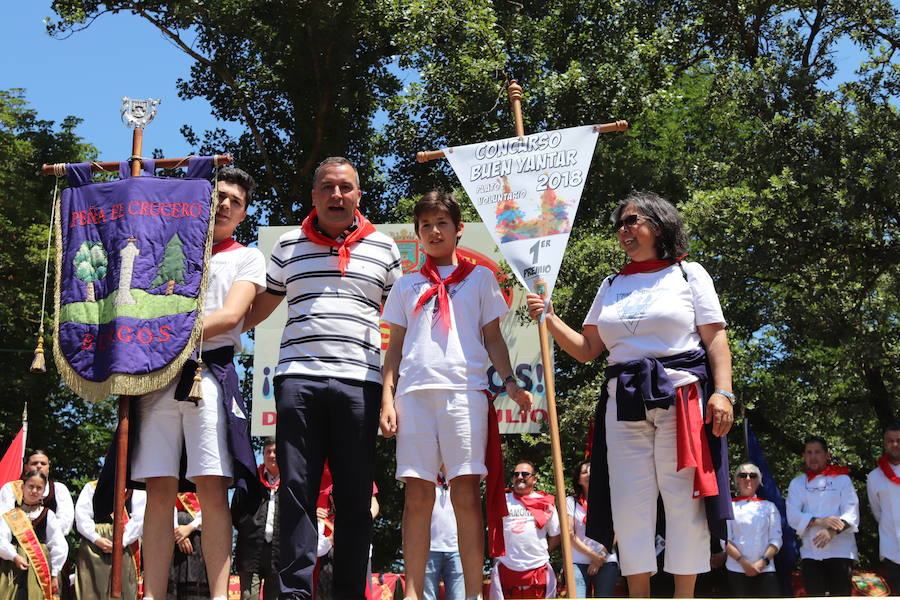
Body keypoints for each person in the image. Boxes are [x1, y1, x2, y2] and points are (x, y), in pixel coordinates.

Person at [526, 191, 734, 598]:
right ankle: (637, 592)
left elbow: (716, 338)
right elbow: (587, 351)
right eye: (620, 223)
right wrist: (548, 318)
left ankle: (683, 595)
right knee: (629, 503)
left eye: (632, 221)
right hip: (622, 401)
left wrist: (723, 393)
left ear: (659, 225)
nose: (623, 230)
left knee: (682, 500)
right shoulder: (611, 284)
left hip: (682, 397)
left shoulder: (690, 274)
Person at [243, 156, 402, 600]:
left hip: (361, 382)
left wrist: (393, 392)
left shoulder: (385, 249)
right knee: (297, 489)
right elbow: (260, 307)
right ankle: (295, 592)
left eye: (346, 188)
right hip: (299, 380)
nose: (337, 195)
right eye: (328, 188)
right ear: (314, 196)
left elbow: (403, 325)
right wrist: (211, 331)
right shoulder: (288, 246)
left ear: (358, 196)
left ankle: (350, 592)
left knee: (353, 496)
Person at [379, 191, 532, 600]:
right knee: (417, 494)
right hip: (414, 393)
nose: (433, 231)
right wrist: (387, 399)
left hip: (465, 393)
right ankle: (411, 592)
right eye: (425, 225)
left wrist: (511, 382)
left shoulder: (480, 278)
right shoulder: (406, 284)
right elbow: (393, 346)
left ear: (458, 229)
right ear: (417, 233)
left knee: (465, 493)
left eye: (441, 223)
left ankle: (472, 593)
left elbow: (493, 337)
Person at [131, 166, 265, 600]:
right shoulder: (169, 246)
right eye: (218, 196)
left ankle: (219, 593)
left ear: (244, 213)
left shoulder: (247, 256)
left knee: (212, 480)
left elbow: (231, 316)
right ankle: (151, 594)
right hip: (157, 375)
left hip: (208, 372)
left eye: (235, 201)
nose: (224, 205)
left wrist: (163, 330)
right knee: (158, 484)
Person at [786, 435, 859, 597]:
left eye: (817, 452)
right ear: (804, 456)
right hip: (811, 554)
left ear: (827, 455)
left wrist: (831, 532)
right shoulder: (797, 483)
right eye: (809, 452)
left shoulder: (843, 480)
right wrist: (821, 521)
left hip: (841, 552)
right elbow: (792, 516)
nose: (813, 457)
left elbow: (852, 514)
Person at [490, 461, 560, 600]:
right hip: (507, 568)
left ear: (534, 479)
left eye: (525, 474)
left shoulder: (545, 502)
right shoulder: (502, 500)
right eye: (516, 474)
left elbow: (556, 534)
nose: (520, 476)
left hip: (538, 568)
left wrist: (542, 552)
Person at [0, 471, 68, 599]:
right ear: (22, 487)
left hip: (40, 571)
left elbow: (58, 545)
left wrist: (53, 574)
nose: (34, 491)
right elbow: (1, 539)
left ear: (44, 491)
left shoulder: (48, 515)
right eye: (31, 486)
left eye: (39, 488)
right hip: (12, 567)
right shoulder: (10, 515)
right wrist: (13, 556)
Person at [74, 480, 146, 599]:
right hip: (94, 546)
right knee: (91, 589)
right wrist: (96, 538)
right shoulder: (92, 487)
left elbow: (140, 518)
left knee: (123, 589)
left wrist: (122, 542)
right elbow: (82, 516)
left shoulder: (136, 489)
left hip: (125, 546)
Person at [232, 437, 281, 600]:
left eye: (275, 452)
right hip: (250, 549)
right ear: (263, 454)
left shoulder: (290, 484)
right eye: (268, 452)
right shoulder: (251, 480)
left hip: (278, 552)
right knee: (249, 597)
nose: (272, 455)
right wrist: (248, 528)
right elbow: (236, 511)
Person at [723, 463, 781, 598]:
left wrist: (762, 563)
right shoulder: (729, 507)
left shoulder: (769, 507)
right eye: (743, 475)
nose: (747, 479)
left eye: (753, 475)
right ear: (737, 480)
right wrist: (744, 563)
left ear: (759, 480)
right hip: (736, 569)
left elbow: (776, 539)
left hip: (765, 569)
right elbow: (725, 540)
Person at [566, 460, 619, 597]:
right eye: (584, 472)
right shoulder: (571, 502)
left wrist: (599, 558)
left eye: (593, 471)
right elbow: (569, 534)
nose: (589, 474)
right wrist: (593, 557)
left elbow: (616, 531)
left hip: (606, 560)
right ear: (578, 480)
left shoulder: (611, 499)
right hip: (578, 561)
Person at [0, 450, 75, 535]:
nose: (39, 466)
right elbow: (3, 518)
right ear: (26, 467)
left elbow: (65, 522)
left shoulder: (59, 489)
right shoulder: (10, 488)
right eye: (34, 463)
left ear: (48, 468)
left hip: (50, 544)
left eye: (43, 464)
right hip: (13, 542)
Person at [868, 423, 900, 594]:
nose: (895, 444)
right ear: (884, 443)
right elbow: (877, 511)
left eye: (899, 440)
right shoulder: (874, 477)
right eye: (890, 441)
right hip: (892, 550)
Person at [423, 472, 463, 600]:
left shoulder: (460, 478)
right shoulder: (426, 476)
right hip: (428, 550)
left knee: (459, 597)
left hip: (457, 550)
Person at [168, 492, 208, 600]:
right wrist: (177, 531)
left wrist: (190, 527)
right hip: (170, 535)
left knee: (194, 583)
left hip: (199, 536)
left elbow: (214, 506)